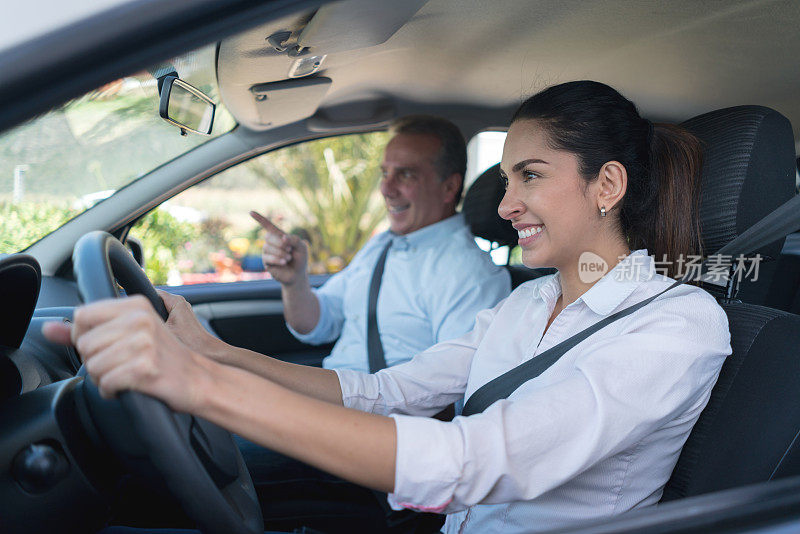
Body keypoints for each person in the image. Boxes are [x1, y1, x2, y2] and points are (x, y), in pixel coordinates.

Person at [46, 81, 732, 533]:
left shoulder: (678, 325)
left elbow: (471, 460)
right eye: (506, 178)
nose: (502, 206)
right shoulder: (529, 306)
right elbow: (384, 391)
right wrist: (213, 352)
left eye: (530, 176)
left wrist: (198, 384)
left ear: (606, 184)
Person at [249, 115, 511, 375]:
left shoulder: (470, 275)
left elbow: (452, 387)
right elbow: (319, 323)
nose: (386, 188)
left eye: (406, 175)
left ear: (449, 187)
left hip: (376, 413)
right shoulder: (382, 245)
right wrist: (294, 282)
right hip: (337, 398)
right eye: (385, 173)